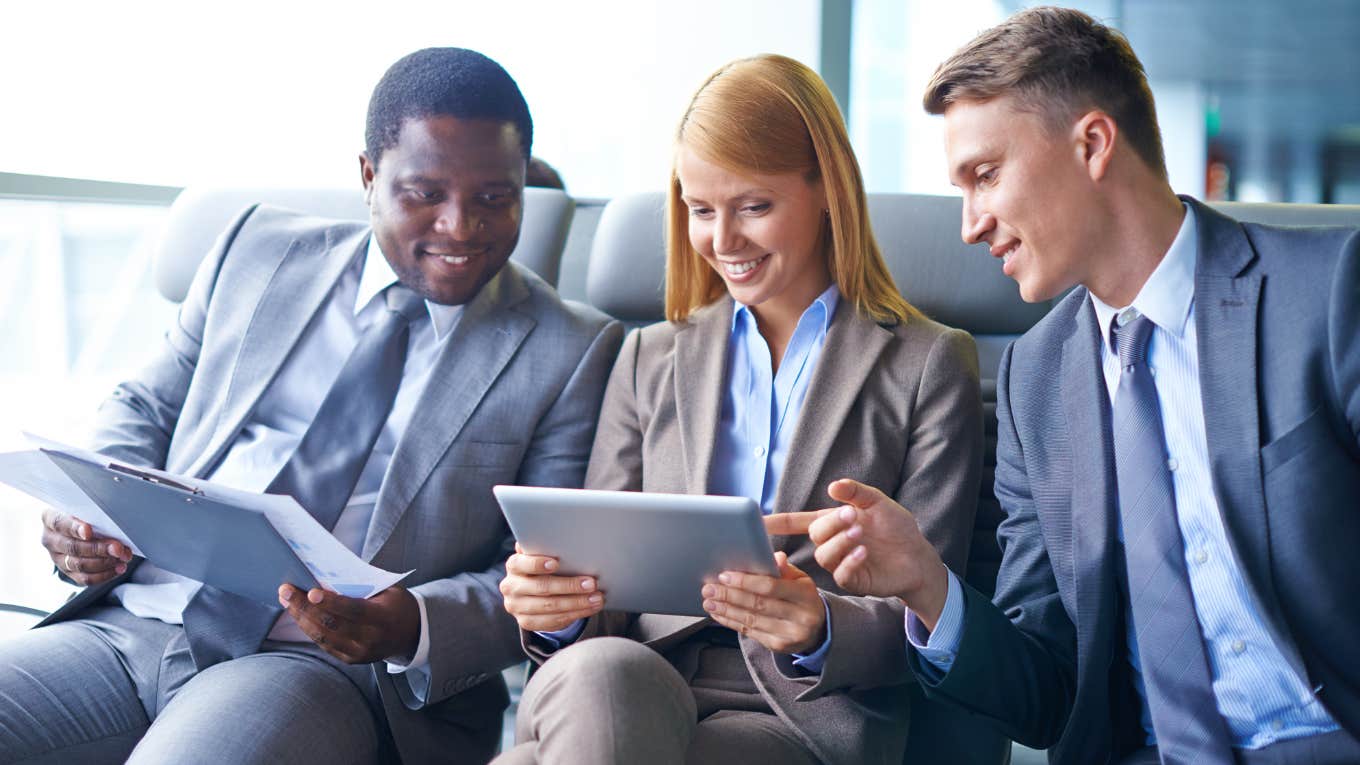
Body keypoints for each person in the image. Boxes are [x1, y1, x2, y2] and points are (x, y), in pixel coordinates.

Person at [771, 7, 1360, 764]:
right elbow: (1051, 695)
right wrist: (925, 583)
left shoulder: (1330, 296)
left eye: (985, 176)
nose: (969, 224)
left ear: (1092, 145)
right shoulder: (1036, 381)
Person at [0, 48, 622, 765]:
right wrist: (95, 511)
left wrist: (410, 623)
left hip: (324, 664)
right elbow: (145, 403)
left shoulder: (570, 348)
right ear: (368, 177)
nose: (461, 227)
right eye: (425, 193)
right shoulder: (255, 251)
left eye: (494, 197)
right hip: (133, 621)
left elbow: (544, 569)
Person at [495, 54, 984, 765]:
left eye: (753, 206)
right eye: (700, 211)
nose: (723, 242)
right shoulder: (648, 359)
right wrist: (558, 609)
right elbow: (599, 582)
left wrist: (818, 624)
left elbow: (931, 605)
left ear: (827, 190)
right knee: (601, 676)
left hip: (800, 708)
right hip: (631, 674)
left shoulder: (927, 365)